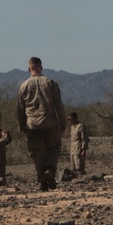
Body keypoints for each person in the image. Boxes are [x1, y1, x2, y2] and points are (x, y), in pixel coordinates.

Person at [16, 56, 67, 191]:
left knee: (37, 153)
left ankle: (42, 181)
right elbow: (58, 105)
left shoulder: (23, 86)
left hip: (32, 124)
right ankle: (50, 169)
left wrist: (21, 126)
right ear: (41, 68)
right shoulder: (50, 83)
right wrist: (62, 122)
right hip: (50, 122)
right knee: (53, 148)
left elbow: (20, 109)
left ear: (29, 69)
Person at [67, 112, 89, 176]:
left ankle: (84, 177)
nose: (69, 121)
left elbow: (84, 139)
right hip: (73, 149)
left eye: (70, 119)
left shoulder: (80, 126)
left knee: (79, 166)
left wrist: (84, 149)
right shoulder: (72, 127)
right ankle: (76, 178)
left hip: (79, 148)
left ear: (74, 118)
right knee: (73, 167)